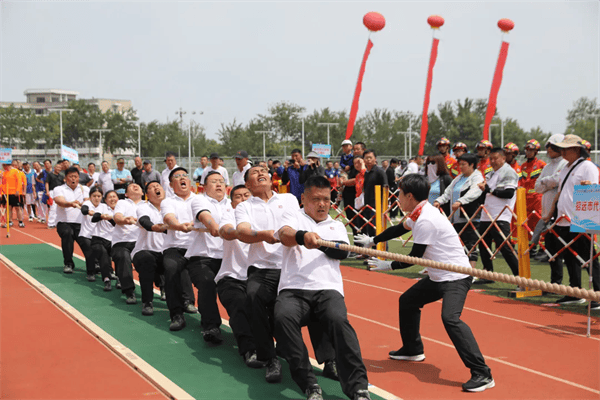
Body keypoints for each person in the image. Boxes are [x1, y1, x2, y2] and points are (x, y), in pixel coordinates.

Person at [365, 174, 494, 393]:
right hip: (438, 276)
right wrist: (374, 240)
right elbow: (398, 229)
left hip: (456, 277)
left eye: (400, 193)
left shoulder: (426, 219)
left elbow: (416, 257)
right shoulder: (417, 213)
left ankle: (482, 373)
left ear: (410, 196)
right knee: (407, 301)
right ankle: (413, 349)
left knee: (450, 319)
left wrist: (388, 266)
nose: (397, 198)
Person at [236, 165, 336, 384]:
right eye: (255, 172)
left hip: (292, 266)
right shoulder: (244, 206)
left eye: (264, 169)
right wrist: (264, 235)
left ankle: (330, 361)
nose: (261, 172)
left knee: (317, 297)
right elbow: (242, 232)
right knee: (253, 296)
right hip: (262, 268)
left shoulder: (289, 199)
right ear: (247, 184)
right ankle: (270, 358)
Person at [275, 176, 371, 400]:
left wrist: (319, 243)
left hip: (328, 290)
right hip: (293, 289)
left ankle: (358, 388)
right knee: (282, 318)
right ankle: (309, 384)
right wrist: (303, 237)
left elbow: (342, 252)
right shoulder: (293, 217)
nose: (321, 204)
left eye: (326, 200)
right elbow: (284, 235)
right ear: (303, 199)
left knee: (339, 322)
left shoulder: (336, 225)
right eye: (316, 199)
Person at [542, 134, 600, 308]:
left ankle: (597, 294)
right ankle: (574, 292)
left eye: (565, 149)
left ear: (576, 149)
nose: (562, 152)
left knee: (589, 258)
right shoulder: (566, 168)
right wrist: (550, 214)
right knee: (570, 257)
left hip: (581, 219)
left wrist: (587, 221)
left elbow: (592, 190)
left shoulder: (587, 166)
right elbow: (560, 193)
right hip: (563, 219)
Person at [216, 184, 266, 367]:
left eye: (247, 195)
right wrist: (244, 233)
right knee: (238, 304)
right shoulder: (229, 214)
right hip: (232, 277)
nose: (243, 199)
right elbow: (225, 230)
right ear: (232, 201)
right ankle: (249, 350)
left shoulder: (262, 217)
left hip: (260, 276)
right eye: (238, 196)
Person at [184, 171, 230, 344]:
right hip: (202, 257)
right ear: (204, 186)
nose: (219, 184)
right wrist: (215, 227)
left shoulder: (233, 205)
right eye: (214, 182)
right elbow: (205, 217)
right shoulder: (199, 200)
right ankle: (211, 326)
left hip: (227, 258)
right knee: (207, 282)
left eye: (221, 181)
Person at [161, 167, 199, 331]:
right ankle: (176, 314)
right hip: (174, 247)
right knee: (171, 269)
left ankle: (209, 320)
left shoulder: (199, 200)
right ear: (171, 184)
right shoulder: (168, 201)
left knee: (208, 277)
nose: (182, 178)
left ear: (189, 182)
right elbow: (169, 218)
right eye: (177, 177)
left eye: (185, 175)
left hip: (197, 247)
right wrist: (178, 226)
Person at [433, 154, 484, 267]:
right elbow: (448, 192)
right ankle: (458, 271)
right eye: (459, 164)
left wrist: (461, 201)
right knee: (456, 246)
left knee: (470, 245)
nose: (460, 167)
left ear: (472, 165)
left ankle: (470, 273)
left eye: (463, 164)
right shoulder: (458, 178)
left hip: (470, 216)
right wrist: (439, 201)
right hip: (456, 217)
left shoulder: (477, 177)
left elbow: (475, 192)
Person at [476, 148, 520, 280]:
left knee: (505, 247)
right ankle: (487, 273)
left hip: (501, 215)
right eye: (491, 159)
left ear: (503, 158)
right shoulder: (491, 173)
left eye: (496, 158)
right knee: (483, 244)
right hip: (487, 214)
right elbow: (487, 193)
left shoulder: (508, 172)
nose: (493, 161)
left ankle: (520, 276)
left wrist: (489, 190)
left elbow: (509, 193)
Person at [132, 180, 169, 316]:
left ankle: (185, 300)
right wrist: (160, 228)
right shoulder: (143, 207)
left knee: (177, 261)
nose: (156, 188)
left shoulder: (171, 207)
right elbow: (145, 222)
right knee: (146, 259)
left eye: (158, 186)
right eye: (152, 188)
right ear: (147, 194)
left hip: (166, 252)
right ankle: (147, 301)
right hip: (145, 250)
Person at [534, 134, 567, 278]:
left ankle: (572, 286)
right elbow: (537, 187)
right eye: (548, 146)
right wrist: (549, 183)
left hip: (561, 214)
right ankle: (555, 282)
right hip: (547, 214)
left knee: (563, 250)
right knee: (551, 250)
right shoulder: (547, 167)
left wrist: (546, 182)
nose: (548, 149)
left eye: (551, 146)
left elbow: (558, 181)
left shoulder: (565, 164)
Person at [53, 167, 90, 274]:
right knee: (68, 234)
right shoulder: (59, 189)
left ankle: (94, 263)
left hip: (81, 223)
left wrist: (85, 204)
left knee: (87, 243)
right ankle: (68, 263)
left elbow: (88, 201)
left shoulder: (85, 189)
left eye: (75, 176)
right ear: (65, 178)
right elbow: (60, 201)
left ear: (79, 177)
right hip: (64, 222)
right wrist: (71, 203)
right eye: (71, 176)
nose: (73, 179)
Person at [112, 183, 143, 304]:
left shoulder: (147, 204)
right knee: (123, 257)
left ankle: (162, 288)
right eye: (131, 186)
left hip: (141, 242)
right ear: (126, 194)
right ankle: (129, 291)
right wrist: (125, 220)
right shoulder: (122, 203)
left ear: (142, 193)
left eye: (137, 186)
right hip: (122, 241)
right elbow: (117, 216)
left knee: (154, 256)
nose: (135, 186)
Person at [520, 139, 546, 256]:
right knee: (529, 224)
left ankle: (543, 248)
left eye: (531, 150)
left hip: (538, 198)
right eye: (527, 150)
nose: (528, 152)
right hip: (526, 198)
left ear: (536, 151)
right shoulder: (524, 166)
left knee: (540, 222)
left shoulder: (541, 164)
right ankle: (532, 247)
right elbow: (522, 182)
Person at [89, 190, 119, 290]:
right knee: (103, 255)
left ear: (118, 199)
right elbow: (94, 218)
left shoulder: (121, 210)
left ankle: (120, 279)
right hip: (99, 238)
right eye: (109, 197)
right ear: (105, 200)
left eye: (114, 197)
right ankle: (106, 279)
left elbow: (117, 223)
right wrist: (102, 216)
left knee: (120, 257)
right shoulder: (102, 207)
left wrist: (110, 218)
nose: (112, 199)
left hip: (114, 240)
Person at [79, 186, 103, 281]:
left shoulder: (104, 206)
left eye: (99, 196)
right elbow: (84, 210)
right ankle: (90, 272)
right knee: (90, 253)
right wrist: (89, 212)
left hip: (98, 235)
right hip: (85, 235)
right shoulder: (87, 203)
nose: (96, 198)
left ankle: (105, 270)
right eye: (94, 196)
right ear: (90, 196)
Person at [362, 150, 388, 237]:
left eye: (370, 157)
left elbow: (385, 187)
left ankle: (382, 250)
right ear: (364, 160)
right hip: (367, 205)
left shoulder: (380, 171)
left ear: (375, 159)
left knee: (378, 230)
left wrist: (384, 205)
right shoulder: (366, 173)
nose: (368, 160)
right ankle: (373, 250)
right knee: (370, 230)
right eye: (366, 158)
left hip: (378, 206)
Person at [45, 162, 64, 228]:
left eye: (60, 168)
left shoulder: (61, 176)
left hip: (60, 192)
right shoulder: (50, 175)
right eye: (57, 167)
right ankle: (50, 223)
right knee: (53, 208)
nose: (58, 169)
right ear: (54, 168)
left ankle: (56, 222)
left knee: (59, 208)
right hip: (52, 192)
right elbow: (47, 183)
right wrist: (47, 192)